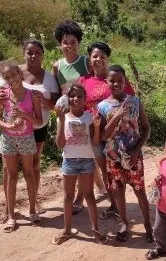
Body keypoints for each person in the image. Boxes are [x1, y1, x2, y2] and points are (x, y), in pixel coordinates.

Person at [0, 40, 59, 219]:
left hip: (38, 127)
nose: (33, 56)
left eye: (37, 52)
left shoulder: (49, 78)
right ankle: (8, 207)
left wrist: (41, 100)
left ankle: (33, 203)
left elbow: (54, 105)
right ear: (24, 54)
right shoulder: (11, 71)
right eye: (29, 52)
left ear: (43, 54)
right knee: (8, 169)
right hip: (11, 129)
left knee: (34, 166)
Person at [66, 42, 136, 217]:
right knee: (104, 170)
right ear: (90, 59)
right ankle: (113, 204)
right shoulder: (84, 81)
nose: (99, 59)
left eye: (103, 56)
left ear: (107, 59)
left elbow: (130, 102)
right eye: (95, 56)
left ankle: (119, 204)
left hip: (117, 135)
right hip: (94, 134)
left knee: (117, 170)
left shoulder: (117, 79)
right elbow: (72, 100)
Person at [97, 65, 153, 243]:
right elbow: (104, 136)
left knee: (140, 191)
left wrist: (136, 150)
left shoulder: (135, 102)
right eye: (112, 80)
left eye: (120, 80)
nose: (116, 83)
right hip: (113, 158)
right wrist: (117, 115)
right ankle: (124, 224)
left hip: (134, 156)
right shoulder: (103, 106)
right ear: (106, 81)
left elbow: (146, 128)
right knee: (118, 191)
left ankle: (148, 225)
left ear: (125, 81)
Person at [52, 83, 107, 245]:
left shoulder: (89, 118)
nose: (75, 99)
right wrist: (61, 120)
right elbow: (60, 144)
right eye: (72, 96)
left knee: (89, 195)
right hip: (69, 161)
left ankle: (95, 229)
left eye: (79, 96)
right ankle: (67, 229)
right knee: (68, 197)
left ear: (85, 100)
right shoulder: (62, 118)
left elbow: (96, 141)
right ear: (67, 99)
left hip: (86, 161)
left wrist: (96, 128)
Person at [0, 59, 43, 232]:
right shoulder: (3, 96)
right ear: (4, 79)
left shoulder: (32, 95)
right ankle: (11, 216)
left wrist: (24, 114)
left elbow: (38, 121)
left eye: (13, 74)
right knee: (11, 176)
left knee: (29, 174)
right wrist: (8, 126)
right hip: (8, 139)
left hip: (27, 138)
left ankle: (33, 211)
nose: (11, 79)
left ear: (20, 73)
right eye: (7, 77)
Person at [52, 20, 89, 89]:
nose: (69, 46)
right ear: (60, 45)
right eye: (65, 43)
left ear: (79, 43)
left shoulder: (87, 62)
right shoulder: (57, 67)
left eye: (73, 42)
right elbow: (55, 91)